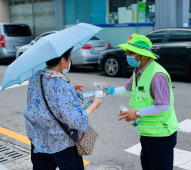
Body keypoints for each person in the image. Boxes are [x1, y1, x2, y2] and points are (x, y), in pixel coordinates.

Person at [102, 34, 178, 170]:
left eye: (130, 52)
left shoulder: (157, 75)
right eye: (126, 52)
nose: (127, 55)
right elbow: (127, 89)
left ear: (142, 54)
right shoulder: (138, 71)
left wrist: (137, 113)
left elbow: (164, 105)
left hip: (161, 134)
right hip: (146, 132)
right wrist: (110, 90)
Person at [24, 47, 102, 170]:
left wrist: (70, 89)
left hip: (39, 139)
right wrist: (93, 105)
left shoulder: (36, 76)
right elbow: (75, 120)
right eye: (69, 58)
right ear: (62, 61)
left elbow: (43, 98)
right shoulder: (61, 84)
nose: (70, 62)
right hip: (61, 143)